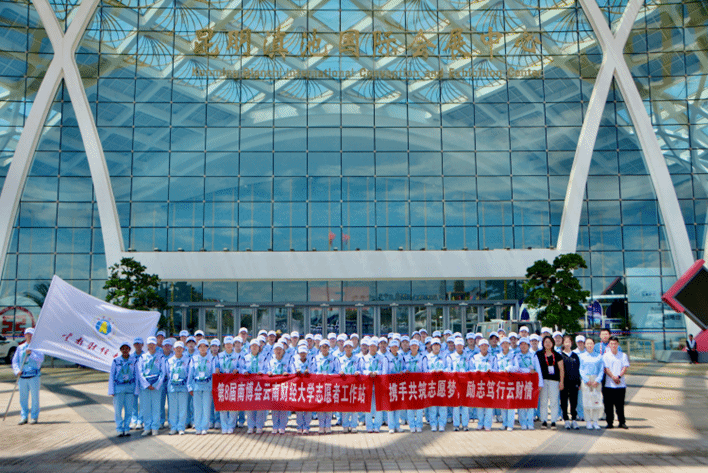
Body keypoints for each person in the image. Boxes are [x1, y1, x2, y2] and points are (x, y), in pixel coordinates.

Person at [136, 336, 166, 436]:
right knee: (146, 407)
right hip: (145, 387)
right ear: (147, 345)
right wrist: (147, 384)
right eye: (150, 344)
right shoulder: (142, 357)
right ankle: (147, 427)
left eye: (153, 344)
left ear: (156, 345)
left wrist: (156, 384)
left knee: (156, 407)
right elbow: (140, 372)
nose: (152, 346)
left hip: (156, 387)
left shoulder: (160, 357)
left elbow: (163, 372)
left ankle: (155, 428)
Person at [188, 339, 218, 435]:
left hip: (207, 386)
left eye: (204, 346)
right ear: (198, 348)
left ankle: (205, 427)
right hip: (196, 386)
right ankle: (198, 427)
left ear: (207, 348)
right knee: (197, 407)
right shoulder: (194, 358)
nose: (202, 348)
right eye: (200, 346)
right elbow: (190, 373)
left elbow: (213, 374)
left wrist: (213, 387)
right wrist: (189, 386)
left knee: (206, 407)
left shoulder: (211, 359)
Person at [311, 339, 340, 434]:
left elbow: (337, 371)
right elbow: (313, 371)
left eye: (326, 347)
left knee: (329, 405)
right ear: (320, 348)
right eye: (323, 347)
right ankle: (321, 425)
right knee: (320, 405)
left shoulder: (334, 358)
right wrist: (319, 375)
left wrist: (330, 376)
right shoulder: (316, 358)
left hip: (330, 384)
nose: (324, 349)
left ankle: (328, 425)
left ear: (329, 348)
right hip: (319, 384)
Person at [514, 337, 542, 430]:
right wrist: (528, 371)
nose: (523, 346)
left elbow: (538, 369)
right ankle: (523, 422)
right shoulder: (516, 356)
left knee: (530, 403)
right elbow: (517, 369)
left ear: (528, 345)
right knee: (521, 403)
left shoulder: (533, 355)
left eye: (525, 344)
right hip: (520, 382)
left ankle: (530, 422)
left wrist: (540, 383)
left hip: (531, 383)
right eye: (521, 344)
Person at [537, 335, 564, 429]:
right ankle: (544, 421)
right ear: (543, 343)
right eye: (546, 342)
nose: (547, 344)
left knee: (554, 402)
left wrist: (561, 382)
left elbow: (561, 369)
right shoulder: (539, 354)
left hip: (554, 381)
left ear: (553, 343)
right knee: (543, 401)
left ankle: (553, 421)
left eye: (549, 342)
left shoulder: (557, 355)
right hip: (543, 381)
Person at [108, 341, 135, 436]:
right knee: (118, 410)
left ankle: (127, 428)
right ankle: (119, 428)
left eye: (126, 348)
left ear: (129, 349)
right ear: (120, 350)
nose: (125, 350)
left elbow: (136, 375)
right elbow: (112, 376)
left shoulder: (134, 361)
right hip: (119, 388)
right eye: (123, 349)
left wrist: (136, 389)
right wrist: (111, 390)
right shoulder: (116, 361)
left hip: (130, 388)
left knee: (129, 410)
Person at [241, 337, 267, 434]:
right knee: (249, 405)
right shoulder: (246, 357)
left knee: (260, 405)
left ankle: (259, 426)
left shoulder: (263, 357)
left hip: (260, 384)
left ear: (259, 347)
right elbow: (242, 368)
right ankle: (250, 426)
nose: (254, 347)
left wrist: (262, 372)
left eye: (256, 346)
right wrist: (245, 371)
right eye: (253, 346)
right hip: (249, 384)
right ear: (250, 347)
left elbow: (267, 368)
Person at [602, 336, 629, 429]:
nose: (613, 345)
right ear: (609, 345)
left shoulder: (623, 355)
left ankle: (622, 422)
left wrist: (619, 377)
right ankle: (610, 422)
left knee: (620, 405)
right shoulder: (606, 356)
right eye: (611, 343)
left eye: (615, 343)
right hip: (609, 385)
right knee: (608, 405)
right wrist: (613, 377)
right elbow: (606, 368)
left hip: (621, 384)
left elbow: (625, 367)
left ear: (618, 344)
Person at [578, 338, 604, 430]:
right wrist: (586, 380)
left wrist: (598, 380)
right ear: (585, 345)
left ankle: (595, 421)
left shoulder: (599, 356)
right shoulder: (581, 356)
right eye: (587, 343)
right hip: (586, 380)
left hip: (596, 380)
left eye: (591, 343)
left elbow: (601, 370)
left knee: (597, 400)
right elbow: (580, 369)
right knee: (586, 401)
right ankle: (588, 421)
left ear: (594, 345)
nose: (589, 345)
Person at [362, 337, 387, 433]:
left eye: (374, 346)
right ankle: (369, 426)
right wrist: (368, 372)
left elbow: (384, 370)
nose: (373, 348)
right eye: (371, 346)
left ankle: (377, 426)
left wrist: (377, 372)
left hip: (378, 384)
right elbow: (362, 370)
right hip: (368, 384)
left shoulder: (382, 358)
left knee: (378, 406)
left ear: (377, 347)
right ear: (368, 347)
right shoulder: (364, 358)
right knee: (368, 406)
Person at [267, 342, 292, 434]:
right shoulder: (271, 361)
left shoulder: (287, 360)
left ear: (283, 351)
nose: (278, 351)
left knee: (283, 407)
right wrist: (269, 373)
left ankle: (282, 426)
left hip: (284, 386)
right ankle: (275, 426)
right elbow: (267, 370)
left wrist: (288, 373)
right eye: (276, 349)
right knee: (274, 407)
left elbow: (292, 371)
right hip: (274, 387)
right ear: (273, 351)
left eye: (280, 349)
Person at [426, 337, 450, 432]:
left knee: (442, 405)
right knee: (432, 405)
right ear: (431, 346)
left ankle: (442, 424)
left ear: (440, 346)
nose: (436, 347)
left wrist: (442, 371)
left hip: (442, 383)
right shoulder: (427, 357)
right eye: (434, 345)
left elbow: (448, 368)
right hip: (431, 384)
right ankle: (433, 424)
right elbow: (425, 369)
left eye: (437, 345)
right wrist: (430, 372)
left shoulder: (445, 356)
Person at [166, 340, 190, 435]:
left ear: (183, 349)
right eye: (177, 348)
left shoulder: (187, 360)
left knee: (182, 408)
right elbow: (168, 373)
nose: (178, 350)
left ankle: (181, 427)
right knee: (173, 408)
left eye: (180, 348)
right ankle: (173, 427)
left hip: (183, 387)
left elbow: (189, 373)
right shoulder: (169, 361)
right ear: (174, 349)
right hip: (172, 387)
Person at [403, 339, 427, 433]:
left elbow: (425, 371)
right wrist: (405, 371)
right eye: (412, 345)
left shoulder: (422, 357)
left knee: (419, 407)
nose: (414, 347)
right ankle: (412, 425)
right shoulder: (405, 357)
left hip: (420, 384)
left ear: (418, 347)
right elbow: (402, 368)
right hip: (409, 384)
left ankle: (419, 425)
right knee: (410, 406)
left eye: (415, 345)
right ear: (410, 346)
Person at [472, 339, 497, 431]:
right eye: (482, 345)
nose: (484, 347)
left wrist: (491, 371)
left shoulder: (493, 357)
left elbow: (496, 369)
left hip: (490, 384)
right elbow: (470, 369)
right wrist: (476, 371)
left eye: (485, 345)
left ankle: (488, 424)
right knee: (479, 405)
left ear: (488, 347)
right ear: (479, 347)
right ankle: (480, 423)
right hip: (479, 384)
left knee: (489, 405)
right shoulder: (475, 357)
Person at [338, 340, 363, 433]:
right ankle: (345, 425)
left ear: (353, 348)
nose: (348, 349)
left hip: (354, 385)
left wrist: (358, 372)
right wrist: (340, 372)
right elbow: (337, 370)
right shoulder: (340, 359)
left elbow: (361, 369)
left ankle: (353, 425)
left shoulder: (357, 359)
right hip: (344, 385)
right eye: (346, 347)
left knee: (354, 406)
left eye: (350, 347)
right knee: (345, 406)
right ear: (344, 348)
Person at [217, 336, 239, 434]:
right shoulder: (219, 355)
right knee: (223, 405)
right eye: (227, 344)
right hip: (222, 383)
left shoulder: (237, 355)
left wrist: (237, 370)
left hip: (233, 383)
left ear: (233, 345)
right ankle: (224, 426)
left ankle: (231, 425)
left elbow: (241, 367)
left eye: (230, 344)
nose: (228, 345)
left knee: (233, 405)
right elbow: (216, 365)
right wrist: (217, 369)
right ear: (224, 345)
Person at [497, 337, 518, 430]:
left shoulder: (513, 355)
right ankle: (504, 423)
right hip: (501, 382)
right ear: (501, 345)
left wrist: (509, 368)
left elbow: (517, 367)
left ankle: (510, 424)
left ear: (509, 345)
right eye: (503, 343)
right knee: (502, 403)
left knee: (510, 403)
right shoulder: (498, 356)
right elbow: (495, 368)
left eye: (507, 343)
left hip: (510, 382)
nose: (505, 345)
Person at [560, 335, 581, 430]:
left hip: (574, 383)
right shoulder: (560, 355)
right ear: (563, 343)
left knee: (574, 402)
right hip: (564, 383)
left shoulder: (575, 355)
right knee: (564, 402)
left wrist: (578, 382)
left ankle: (574, 419)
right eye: (566, 342)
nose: (567, 344)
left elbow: (578, 370)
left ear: (572, 343)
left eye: (569, 342)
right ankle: (566, 420)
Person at [449, 338, 470, 431]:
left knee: (465, 405)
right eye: (457, 345)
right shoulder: (451, 356)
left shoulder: (467, 356)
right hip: (455, 383)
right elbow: (448, 369)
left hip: (465, 383)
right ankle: (456, 424)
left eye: (461, 345)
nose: (459, 346)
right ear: (455, 345)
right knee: (456, 405)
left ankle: (465, 424)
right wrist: (453, 373)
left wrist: (466, 373)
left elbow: (471, 368)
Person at [291, 345, 312, 434]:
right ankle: (299, 426)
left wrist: (309, 371)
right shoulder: (295, 362)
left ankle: (306, 426)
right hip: (298, 387)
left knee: (308, 407)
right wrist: (296, 372)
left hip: (308, 387)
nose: (303, 354)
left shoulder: (311, 361)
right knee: (298, 407)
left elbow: (314, 371)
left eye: (304, 352)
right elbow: (291, 372)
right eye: (301, 352)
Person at [385, 340, 404, 433]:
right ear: (390, 348)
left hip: (399, 384)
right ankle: (391, 426)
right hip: (390, 384)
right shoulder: (386, 358)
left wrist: (403, 371)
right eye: (392, 347)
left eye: (396, 347)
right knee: (390, 406)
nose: (394, 348)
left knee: (398, 406)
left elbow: (403, 368)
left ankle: (397, 425)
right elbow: (384, 372)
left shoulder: (400, 357)